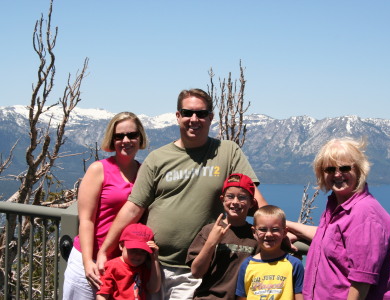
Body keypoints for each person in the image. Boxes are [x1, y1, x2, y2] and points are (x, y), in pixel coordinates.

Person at [97, 88, 268, 299]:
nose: (193, 119)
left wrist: (277, 231)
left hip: (194, 268)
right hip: (151, 264)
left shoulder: (228, 151)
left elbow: (254, 200)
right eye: (187, 113)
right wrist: (105, 250)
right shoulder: (157, 158)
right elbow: (134, 206)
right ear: (178, 116)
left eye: (201, 113)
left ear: (211, 117)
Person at [286, 137, 390, 300]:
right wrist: (287, 227)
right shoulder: (338, 206)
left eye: (345, 168)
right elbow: (330, 238)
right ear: (322, 173)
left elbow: (361, 281)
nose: (338, 174)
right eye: (330, 169)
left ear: (359, 170)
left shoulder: (364, 213)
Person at [63, 112, 148, 299]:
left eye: (132, 135)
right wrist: (87, 261)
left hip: (124, 265)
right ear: (112, 139)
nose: (126, 140)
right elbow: (86, 220)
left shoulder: (144, 173)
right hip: (91, 259)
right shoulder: (98, 170)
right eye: (119, 136)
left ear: (140, 138)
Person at [186, 173, 259, 299]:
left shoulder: (254, 236)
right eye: (230, 196)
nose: (235, 202)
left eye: (242, 197)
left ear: (251, 203)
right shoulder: (209, 230)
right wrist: (211, 243)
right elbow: (196, 272)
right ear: (222, 200)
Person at [236, 205, 304, 300]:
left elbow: (299, 296)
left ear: (284, 232)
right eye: (263, 229)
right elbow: (242, 297)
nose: (268, 234)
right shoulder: (247, 265)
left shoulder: (294, 264)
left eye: (275, 229)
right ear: (254, 232)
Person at [96, 223, 161, 300]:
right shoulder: (112, 266)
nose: (138, 255)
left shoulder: (142, 267)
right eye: (133, 250)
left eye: (143, 251)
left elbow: (153, 288)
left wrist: (154, 259)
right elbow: (102, 294)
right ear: (121, 246)